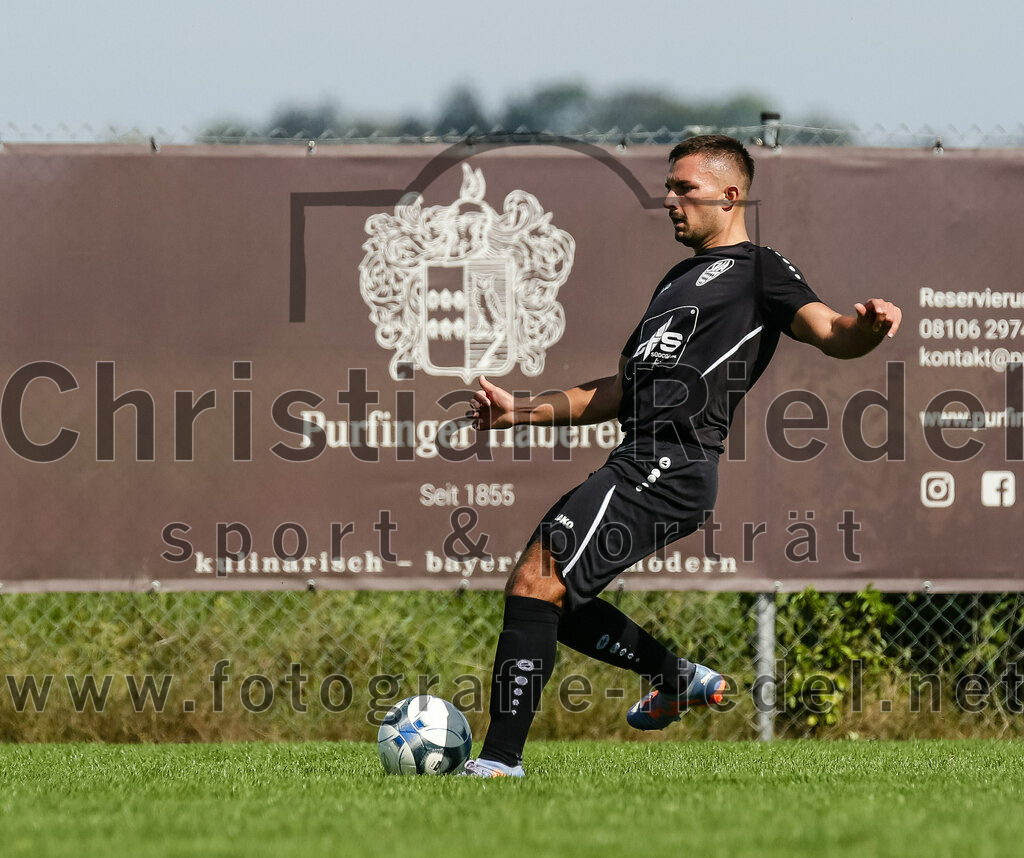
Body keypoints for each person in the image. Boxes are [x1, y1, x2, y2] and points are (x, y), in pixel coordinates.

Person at [459, 135, 902, 777]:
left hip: (672, 464)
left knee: (536, 579)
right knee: (555, 598)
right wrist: (519, 411)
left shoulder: (758, 268)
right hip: (640, 458)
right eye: (668, 186)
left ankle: (498, 764)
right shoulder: (674, 281)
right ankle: (676, 678)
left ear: (731, 195)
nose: (668, 199)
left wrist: (867, 329)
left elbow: (832, 333)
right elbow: (619, 390)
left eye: (683, 188)